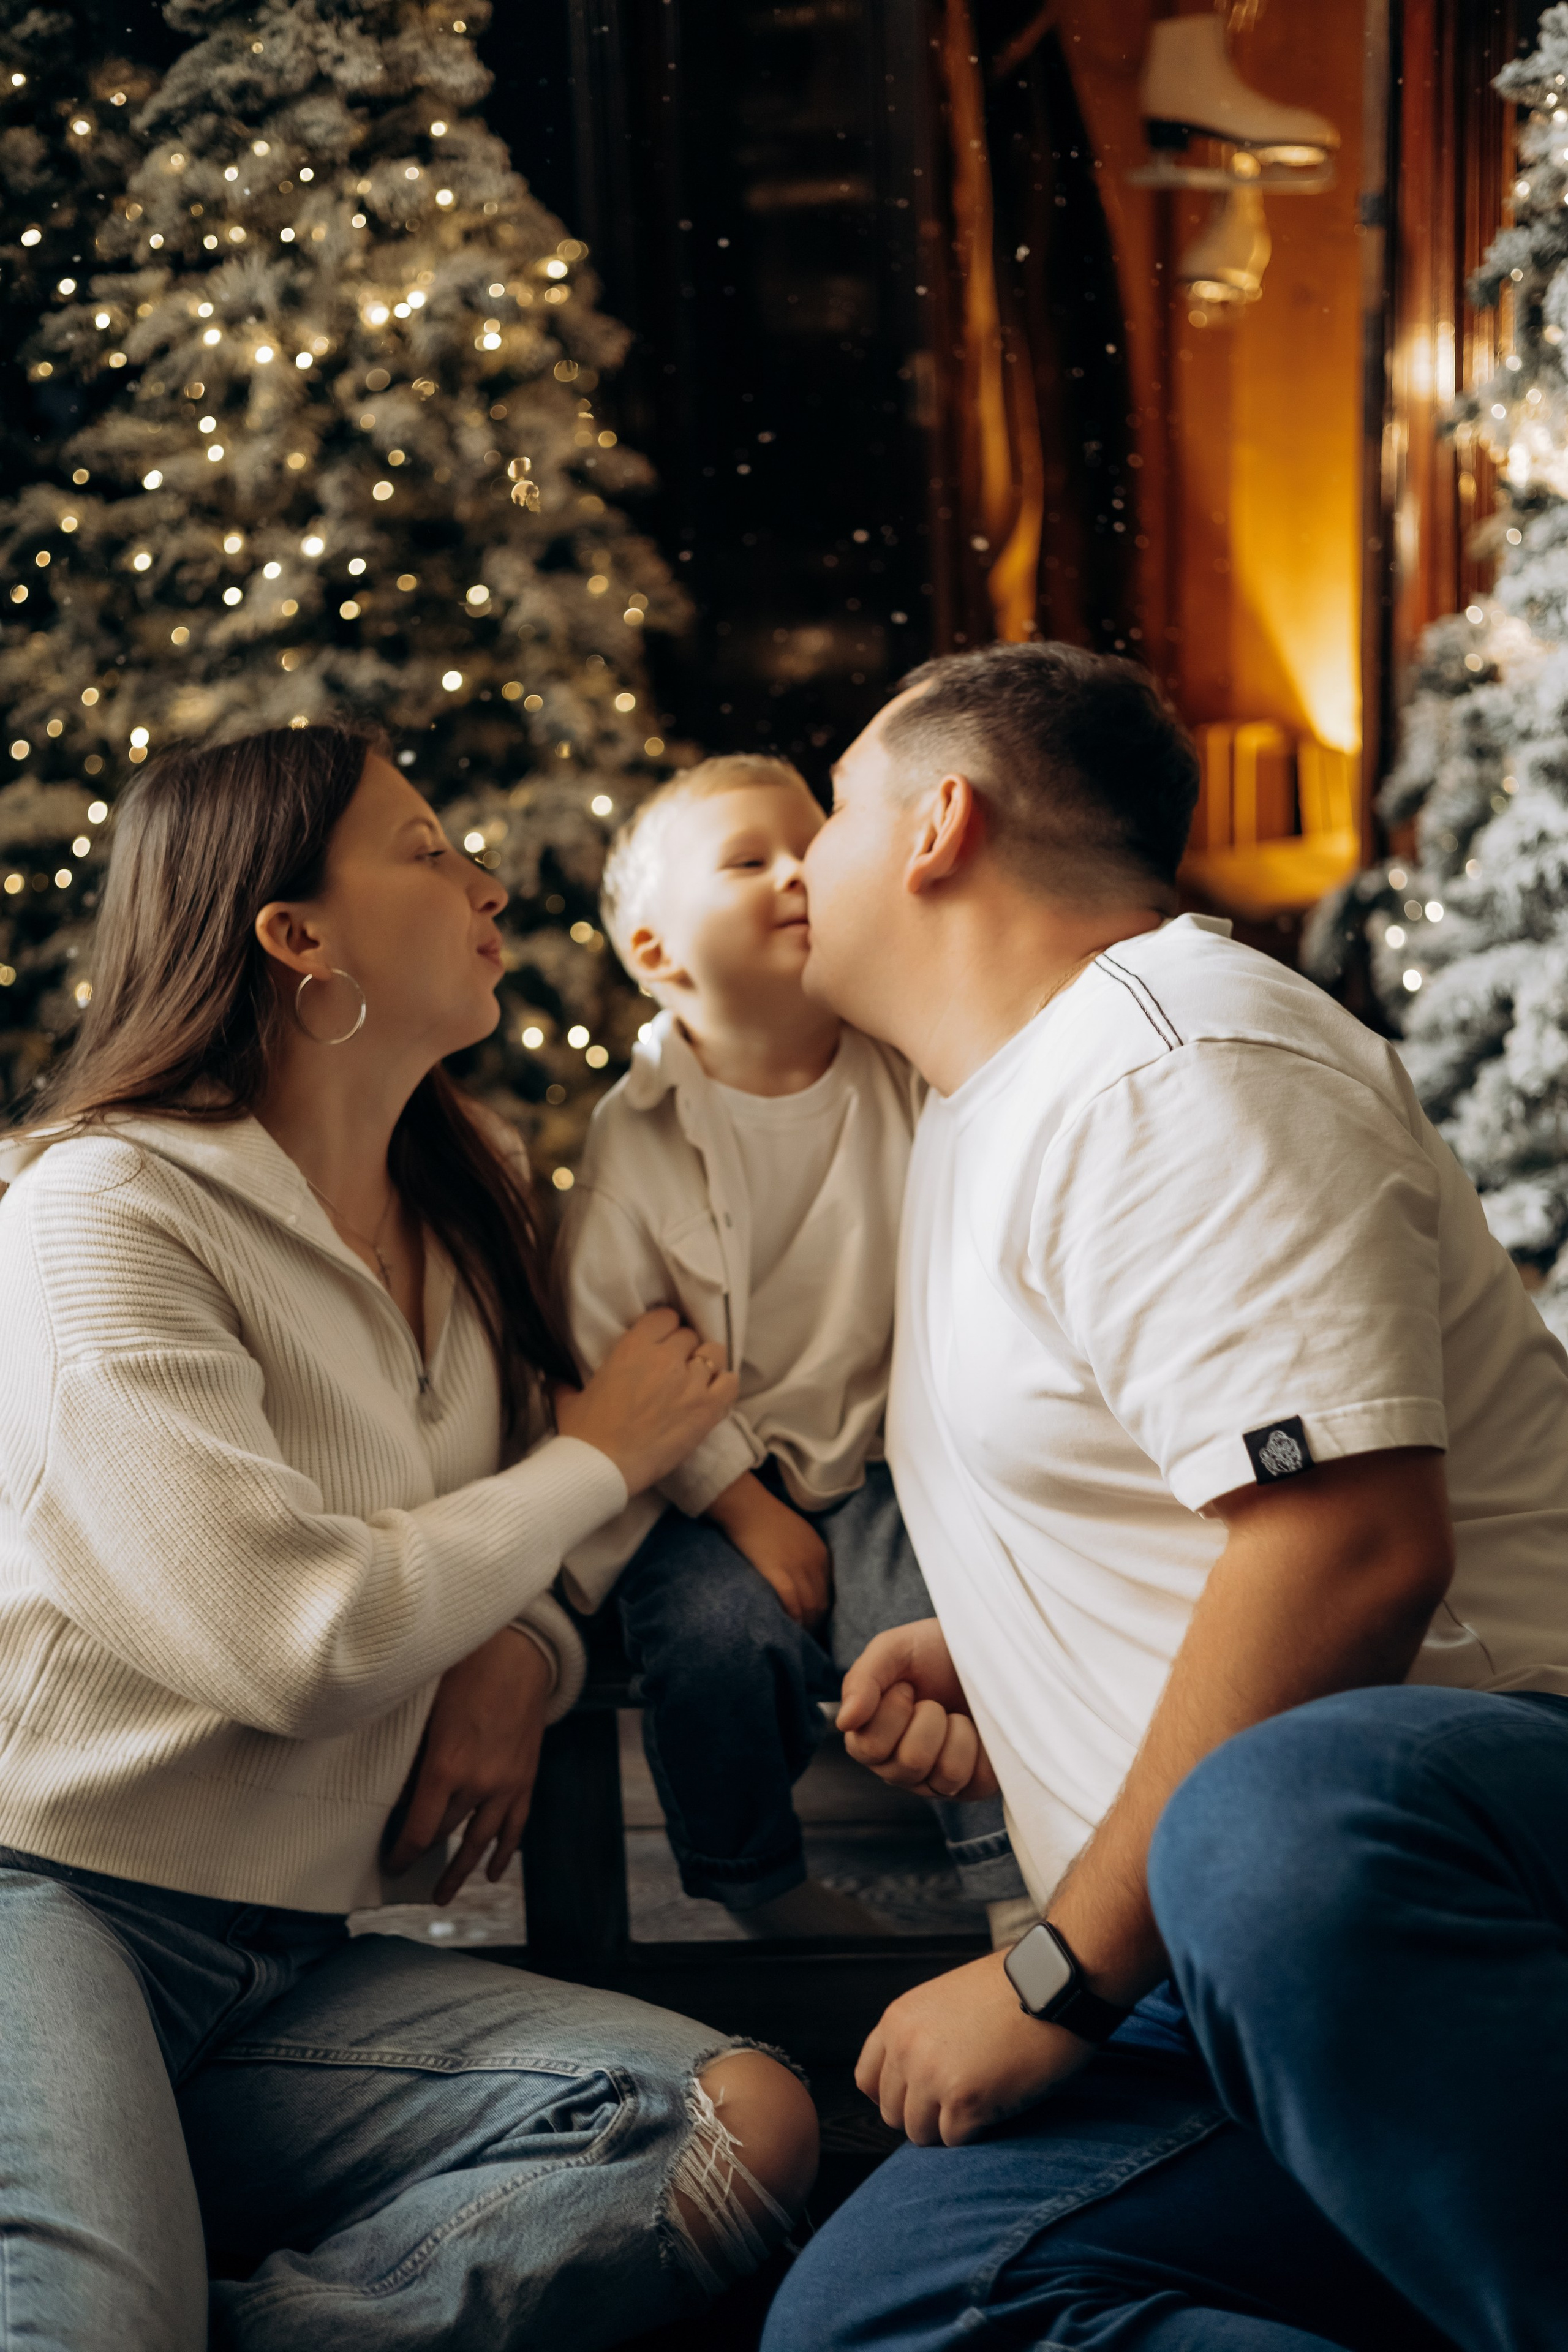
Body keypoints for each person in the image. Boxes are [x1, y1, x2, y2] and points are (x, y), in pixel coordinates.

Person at [763, 642, 1568, 2352]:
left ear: (935, 826)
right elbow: (1206, 1499)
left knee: (1280, 1821)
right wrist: (1005, 1636)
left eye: (828, 812)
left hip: (1461, 1859)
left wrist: (1051, 1974)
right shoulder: (992, 1111)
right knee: (882, 2321)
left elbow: (1353, 1545)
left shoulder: (1171, 1060)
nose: (796, 863)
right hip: (1212, 1964)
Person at [0, 726, 818, 2352]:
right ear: (294, 935)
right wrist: (600, 1458)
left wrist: (527, 1645)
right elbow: (294, 1642)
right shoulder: (99, 1214)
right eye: (428, 848)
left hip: (288, 1963)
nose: (488, 879)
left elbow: (519, 1541)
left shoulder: (472, 1198)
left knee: (726, 2125)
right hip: (45, 1902)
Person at [560, 754, 1030, 1941]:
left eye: (807, 847)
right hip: (705, 1483)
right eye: (746, 859)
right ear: (661, 954)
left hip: (880, 1462)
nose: (794, 873)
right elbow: (616, 1339)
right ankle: (757, 1882)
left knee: (942, 1617)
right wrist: (737, 1502)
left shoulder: (902, 1072)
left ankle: (1011, 1876)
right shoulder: (640, 1132)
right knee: (712, 1644)